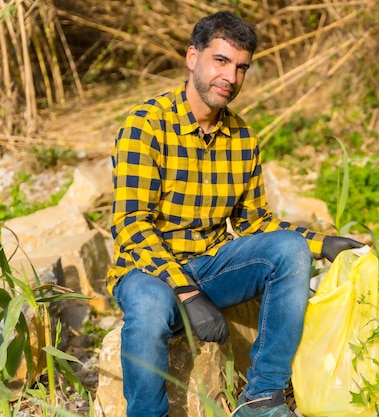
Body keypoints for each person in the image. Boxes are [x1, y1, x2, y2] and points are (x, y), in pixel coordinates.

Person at [106, 10, 364, 417]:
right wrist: (187, 293)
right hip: (148, 271)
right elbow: (130, 225)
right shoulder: (146, 126)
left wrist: (320, 242)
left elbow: (254, 223)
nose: (231, 77)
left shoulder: (243, 137)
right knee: (150, 308)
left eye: (241, 67)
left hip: (211, 266)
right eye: (221, 61)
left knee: (290, 251)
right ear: (193, 57)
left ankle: (262, 399)